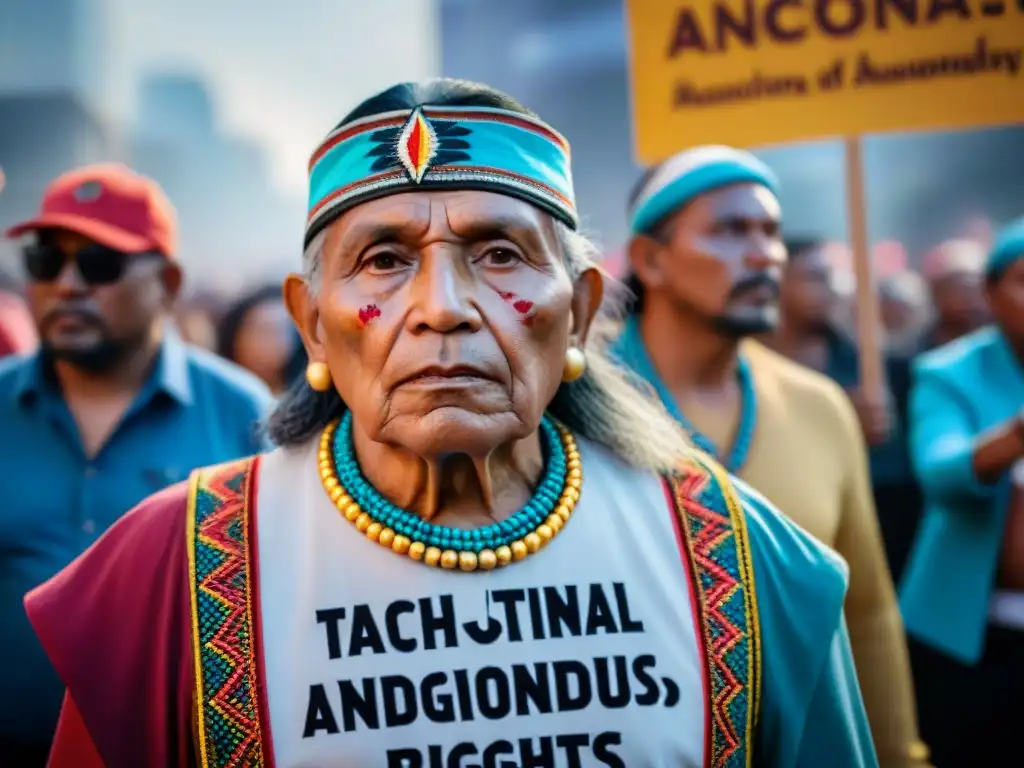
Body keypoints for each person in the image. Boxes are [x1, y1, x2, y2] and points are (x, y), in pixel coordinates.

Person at [26, 79, 876, 768]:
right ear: (313, 321)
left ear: (578, 313)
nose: (442, 309)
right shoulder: (173, 570)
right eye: (385, 260)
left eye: (499, 254)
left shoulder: (733, 557)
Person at [613, 147, 925, 767]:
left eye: (771, 232)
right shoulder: (570, 406)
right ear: (650, 259)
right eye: (731, 230)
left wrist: (899, 757)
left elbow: (865, 611)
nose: (766, 254)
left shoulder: (821, 407)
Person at [0, 164, 273, 764]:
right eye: (46, 261)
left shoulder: (244, 414)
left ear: (170, 283)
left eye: (100, 264)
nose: (67, 284)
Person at [900, 217, 1024, 767]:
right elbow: (942, 472)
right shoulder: (949, 373)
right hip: (974, 640)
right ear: (992, 293)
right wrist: (1015, 437)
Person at [766, 237, 923, 583]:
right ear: (775, 280)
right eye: (814, 277)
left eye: (834, 277)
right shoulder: (744, 368)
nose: (830, 289)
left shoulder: (869, 366)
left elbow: (896, 473)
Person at [216, 284, 305, 394]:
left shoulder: (304, 395)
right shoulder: (220, 391)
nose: (277, 341)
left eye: (284, 330)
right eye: (266, 330)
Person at [919, 238, 989, 351]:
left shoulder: (1007, 345)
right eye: (960, 288)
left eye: (974, 288)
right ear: (936, 291)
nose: (969, 298)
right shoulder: (915, 354)